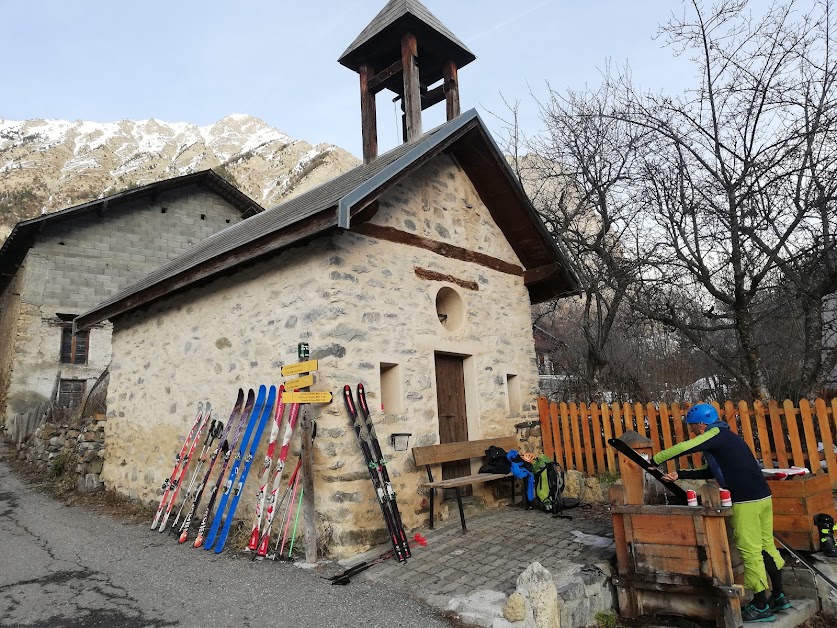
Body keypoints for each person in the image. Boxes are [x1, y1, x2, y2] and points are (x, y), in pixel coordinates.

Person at [653, 403, 789, 623]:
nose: (693, 431)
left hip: (746, 499)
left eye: (693, 427)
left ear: (700, 424)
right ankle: (779, 596)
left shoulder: (715, 434)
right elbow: (711, 470)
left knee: (749, 550)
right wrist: (680, 473)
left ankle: (760, 605)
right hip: (763, 496)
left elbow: (686, 447)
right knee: (766, 545)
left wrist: (655, 460)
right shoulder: (726, 438)